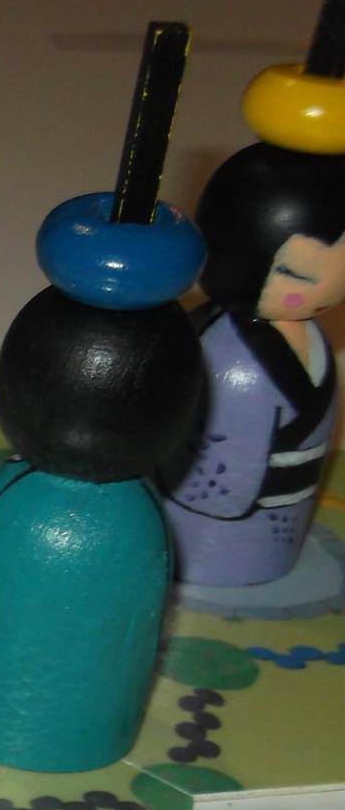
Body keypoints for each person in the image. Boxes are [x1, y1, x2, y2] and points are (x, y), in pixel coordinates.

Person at [161, 141, 345, 587]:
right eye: (300, 276)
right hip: (213, 522)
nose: (328, 288)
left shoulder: (314, 342)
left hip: (281, 518)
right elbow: (209, 457)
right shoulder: (220, 350)